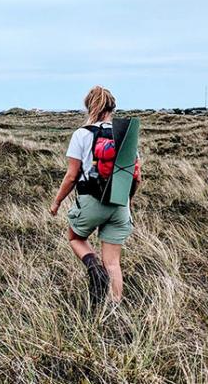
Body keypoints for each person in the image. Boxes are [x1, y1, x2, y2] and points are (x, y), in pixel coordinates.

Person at [49, 86, 141, 308]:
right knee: (113, 263)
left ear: (89, 106)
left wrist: (57, 202)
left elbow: (71, 176)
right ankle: (114, 310)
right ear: (112, 108)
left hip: (92, 201)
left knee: (75, 238)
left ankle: (93, 269)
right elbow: (136, 176)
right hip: (119, 204)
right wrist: (129, 201)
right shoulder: (125, 137)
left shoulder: (81, 134)